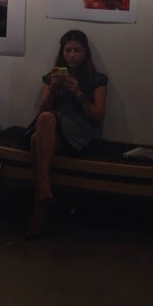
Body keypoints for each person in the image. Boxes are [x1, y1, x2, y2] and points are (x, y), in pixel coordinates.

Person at [25, 29, 108, 239]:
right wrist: (53, 89)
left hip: (77, 132)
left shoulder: (97, 79)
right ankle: (44, 192)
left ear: (85, 53)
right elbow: (42, 111)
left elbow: (98, 116)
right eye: (68, 50)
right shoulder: (52, 76)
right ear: (62, 52)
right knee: (45, 119)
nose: (72, 55)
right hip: (52, 129)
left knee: (36, 139)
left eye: (77, 50)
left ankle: (40, 202)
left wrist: (77, 92)